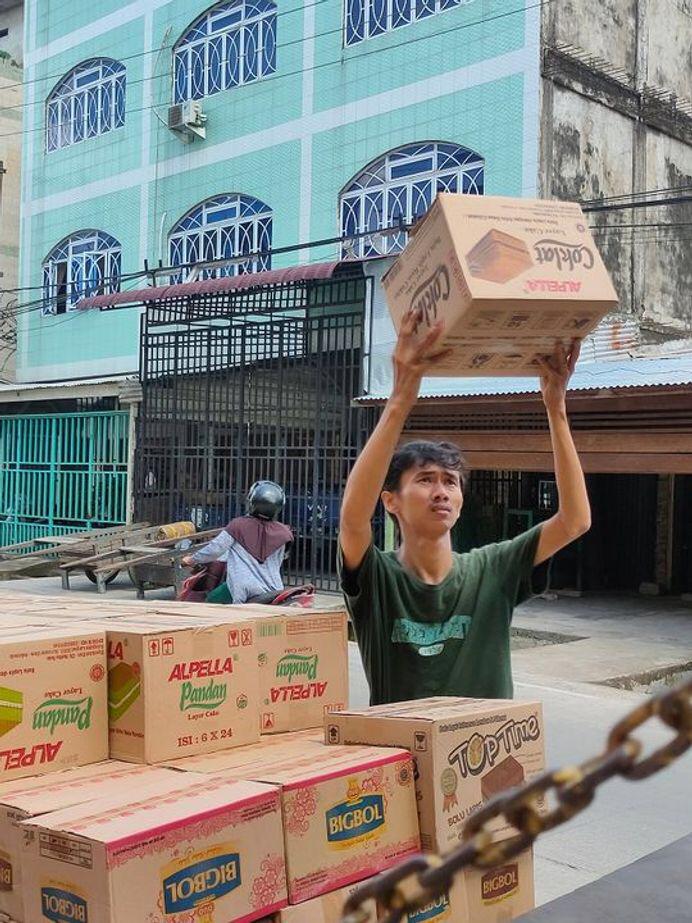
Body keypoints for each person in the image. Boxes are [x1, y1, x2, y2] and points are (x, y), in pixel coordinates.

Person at [339, 311, 591, 705]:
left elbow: (574, 521)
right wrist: (400, 400)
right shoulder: (377, 579)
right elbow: (353, 520)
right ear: (391, 501)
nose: (441, 491)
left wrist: (556, 408)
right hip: (405, 760)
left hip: (489, 762)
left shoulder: (493, 569)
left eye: (450, 482)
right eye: (425, 480)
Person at [181, 480, 293, 604]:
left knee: (209, 601)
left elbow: (215, 549)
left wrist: (192, 559)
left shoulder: (238, 525)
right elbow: (281, 558)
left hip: (243, 589)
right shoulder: (284, 533)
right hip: (274, 589)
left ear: (252, 501)